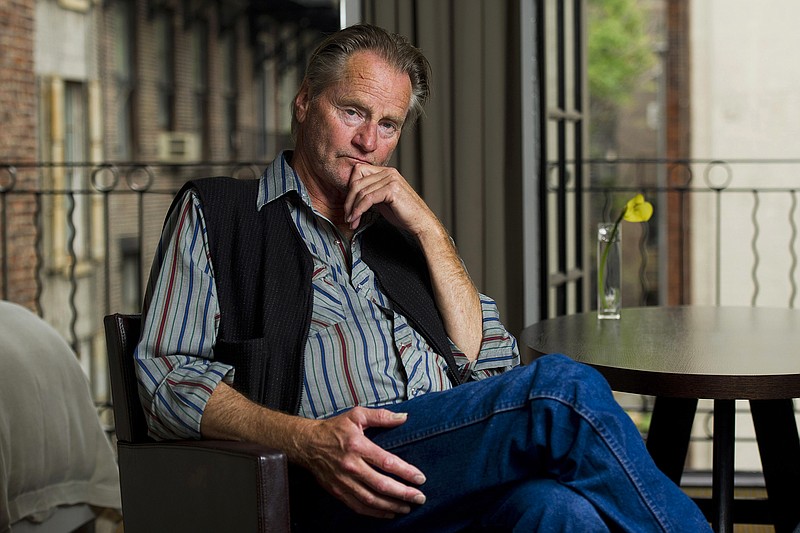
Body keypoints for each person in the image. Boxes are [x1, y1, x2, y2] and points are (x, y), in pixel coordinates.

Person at [135, 23, 710, 532]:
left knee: (559, 510)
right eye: (353, 112)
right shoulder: (221, 214)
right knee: (563, 390)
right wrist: (307, 441)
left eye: (389, 125)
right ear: (305, 102)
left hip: (448, 467)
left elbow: (490, 365)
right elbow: (165, 379)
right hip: (332, 480)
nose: (369, 143)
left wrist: (431, 232)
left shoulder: (401, 232)